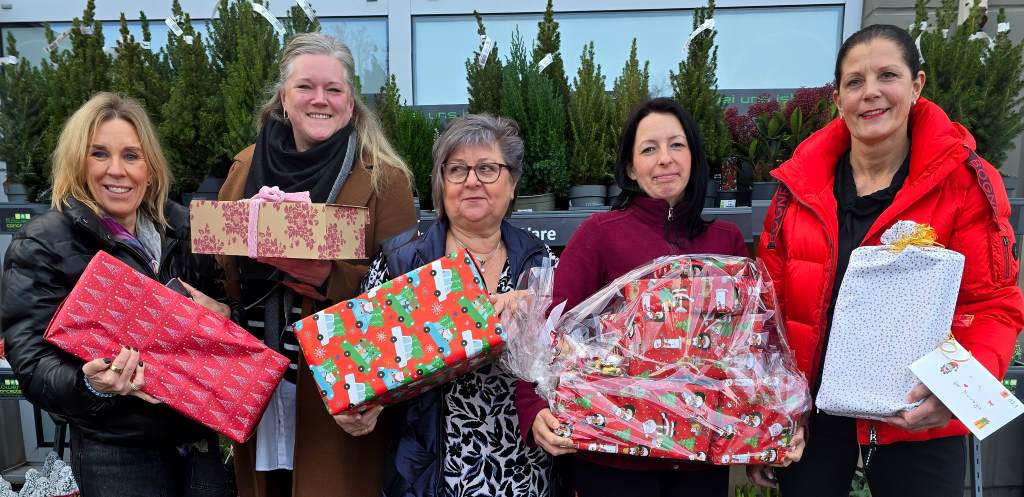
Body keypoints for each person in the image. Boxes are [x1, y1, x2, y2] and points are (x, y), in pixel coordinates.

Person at [754, 24, 1024, 497]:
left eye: (888, 76)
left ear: (917, 85)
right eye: (854, 82)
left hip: (919, 413)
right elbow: (768, 309)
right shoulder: (797, 189)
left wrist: (955, 395)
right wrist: (767, 414)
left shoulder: (964, 183)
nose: (871, 93)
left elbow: (994, 303)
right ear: (837, 97)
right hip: (812, 418)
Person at [516, 97, 787, 497]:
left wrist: (764, 421)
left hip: (700, 455)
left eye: (677, 145)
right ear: (629, 167)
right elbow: (547, 332)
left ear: (694, 155)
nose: (665, 159)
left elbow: (750, 349)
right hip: (614, 456)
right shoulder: (600, 235)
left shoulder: (724, 240)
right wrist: (533, 408)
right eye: (649, 149)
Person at [1, 92, 232, 496]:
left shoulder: (185, 229)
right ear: (78, 162)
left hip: (197, 445)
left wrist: (223, 312)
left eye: (131, 155)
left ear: (150, 166)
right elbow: (32, 363)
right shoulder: (44, 242)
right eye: (99, 154)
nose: (117, 171)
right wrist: (89, 385)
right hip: (117, 454)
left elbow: (225, 324)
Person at [219, 33, 417, 497]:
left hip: (338, 388)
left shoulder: (385, 178)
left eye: (334, 89)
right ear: (284, 99)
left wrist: (333, 277)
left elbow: (407, 296)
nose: (319, 100)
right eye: (306, 87)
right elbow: (220, 261)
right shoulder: (245, 167)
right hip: (257, 379)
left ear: (351, 104)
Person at [345, 113, 555, 497]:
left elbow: (573, 362)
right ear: (441, 184)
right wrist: (359, 407)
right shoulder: (401, 262)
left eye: (488, 168)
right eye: (457, 169)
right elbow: (361, 361)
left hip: (522, 472)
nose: (472, 180)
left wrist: (542, 315)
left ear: (512, 184)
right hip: (429, 473)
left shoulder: (540, 263)